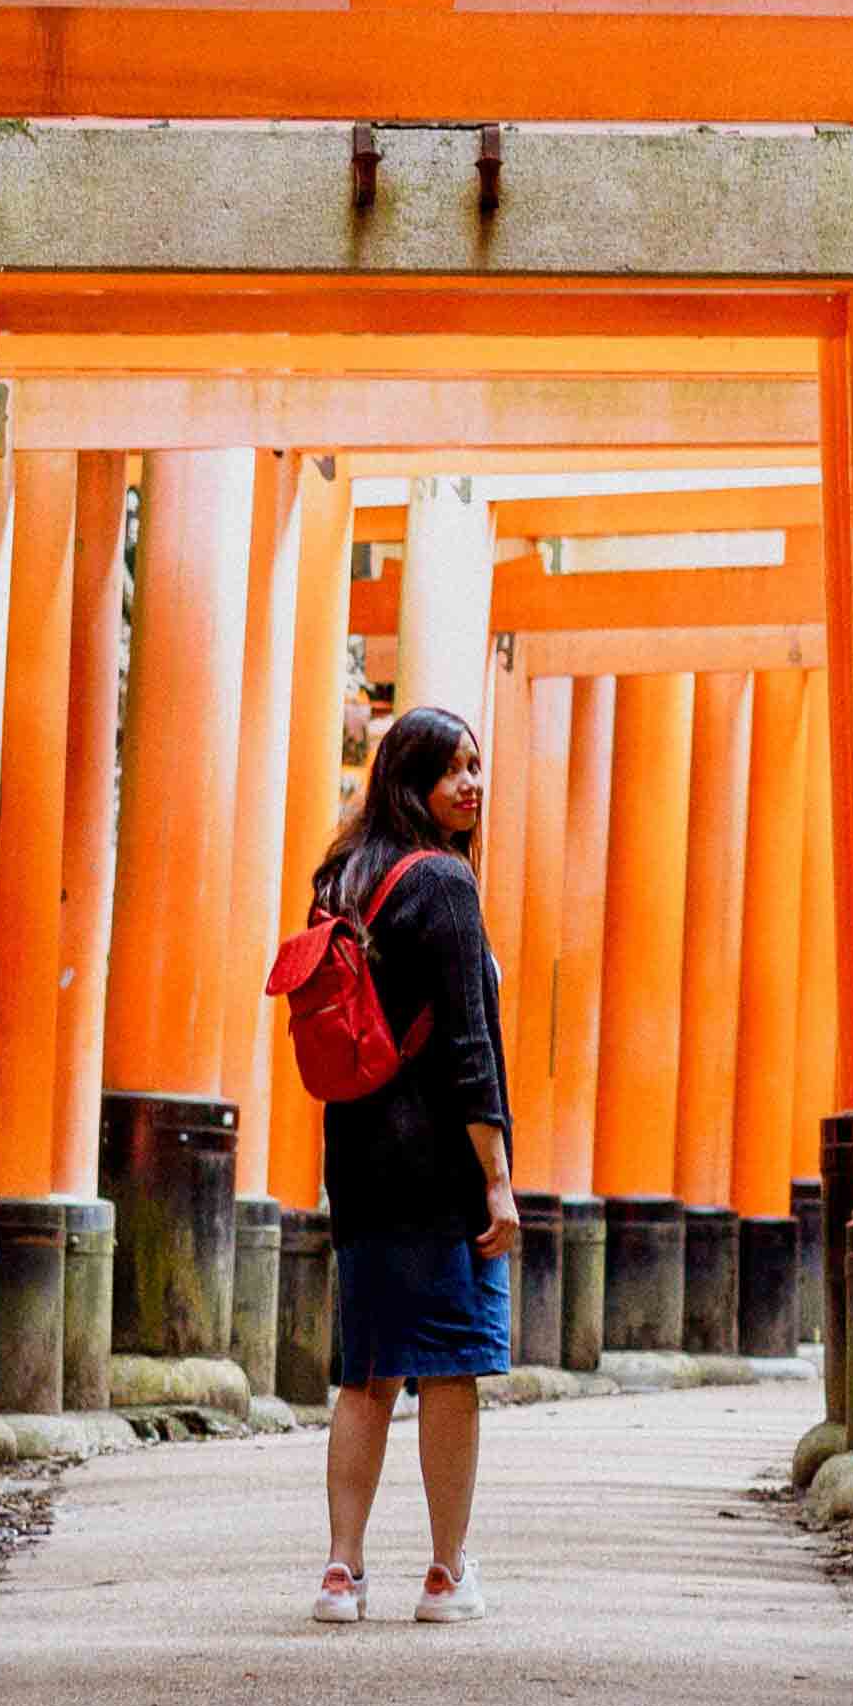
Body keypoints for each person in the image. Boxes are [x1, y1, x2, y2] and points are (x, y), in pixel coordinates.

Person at [304, 698, 519, 1628]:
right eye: (454, 770)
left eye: (477, 766)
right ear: (413, 782)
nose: (472, 784)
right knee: (451, 1371)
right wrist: (499, 1181)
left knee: (367, 1374)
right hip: (439, 1172)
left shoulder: (342, 877)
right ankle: (444, 1572)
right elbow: (470, 1047)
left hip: (357, 1162)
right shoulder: (445, 883)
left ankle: (341, 1573)